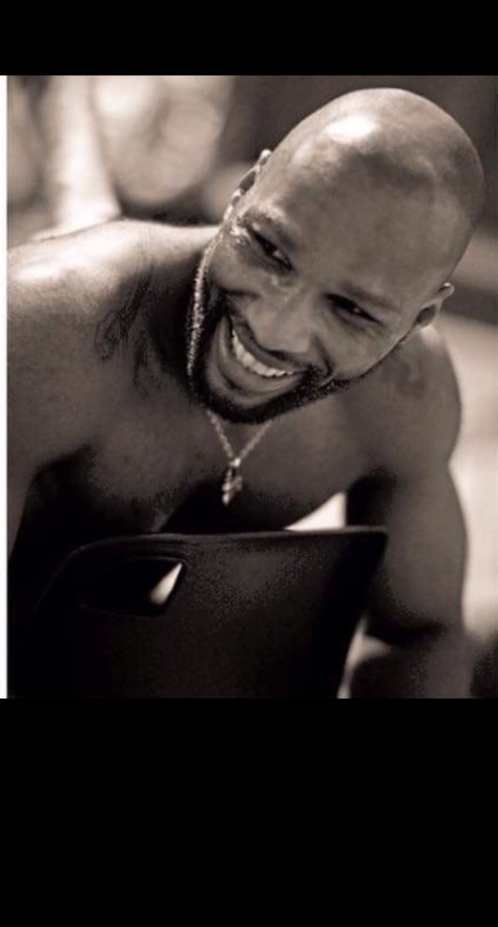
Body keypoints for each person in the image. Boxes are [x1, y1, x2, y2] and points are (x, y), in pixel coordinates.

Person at [8, 87, 485, 698]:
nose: (273, 327)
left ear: (417, 319)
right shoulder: (44, 333)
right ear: (245, 191)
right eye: (270, 251)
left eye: (350, 310)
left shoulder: (405, 396)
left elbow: (418, 636)